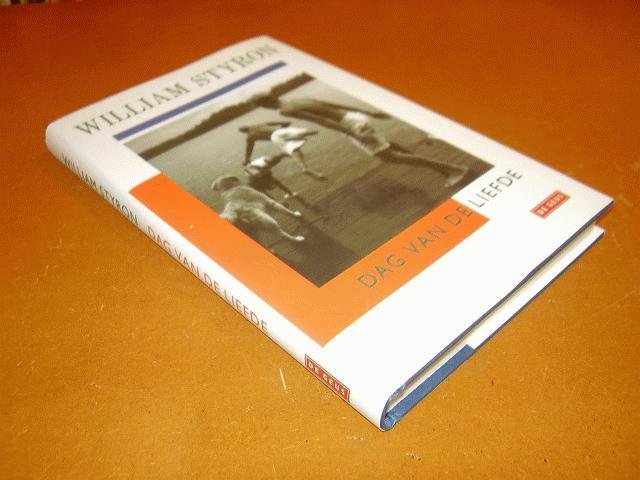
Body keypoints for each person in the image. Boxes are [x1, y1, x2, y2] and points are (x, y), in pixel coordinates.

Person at [251, 93, 468, 187]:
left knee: (387, 156)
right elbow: (334, 105)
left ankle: (453, 169)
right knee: (389, 148)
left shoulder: (286, 111)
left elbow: (321, 120)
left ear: (265, 105)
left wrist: (353, 133)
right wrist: (369, 112)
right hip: (354, 117)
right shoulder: (299, 99)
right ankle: (446, 170)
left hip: (350, 126)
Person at [238, 121, 325, 180]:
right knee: (310, 133)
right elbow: (286, 122)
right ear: (248, 126)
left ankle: (304, 168)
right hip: (280, 133)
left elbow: (249, 149)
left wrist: (247, 159)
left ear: (244, 132)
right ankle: (319, 129)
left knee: (293, 151)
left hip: (276, 138)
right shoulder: (262, 124)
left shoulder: (250, 136)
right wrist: (283, 127)